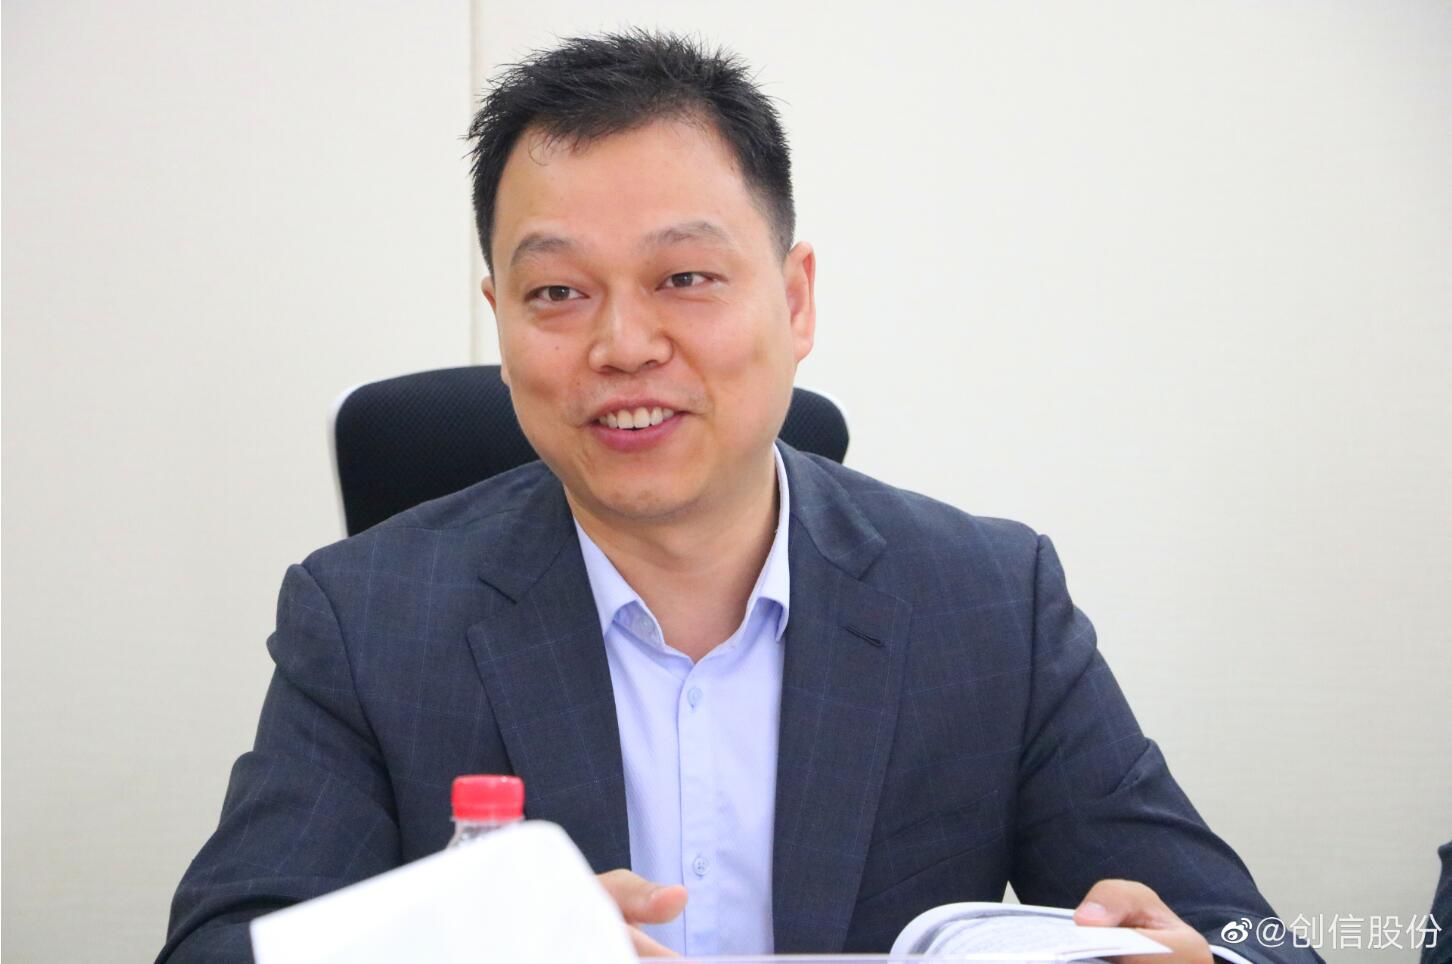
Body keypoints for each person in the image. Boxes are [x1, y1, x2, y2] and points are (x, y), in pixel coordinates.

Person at [160, 30, 1317, 964]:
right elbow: (219, 948)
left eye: (685, 277)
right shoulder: (369, 618)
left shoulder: (986, 603)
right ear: (499, 317)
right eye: (557, 291)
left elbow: (1252, 938)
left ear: (795, 301)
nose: (623, 343)